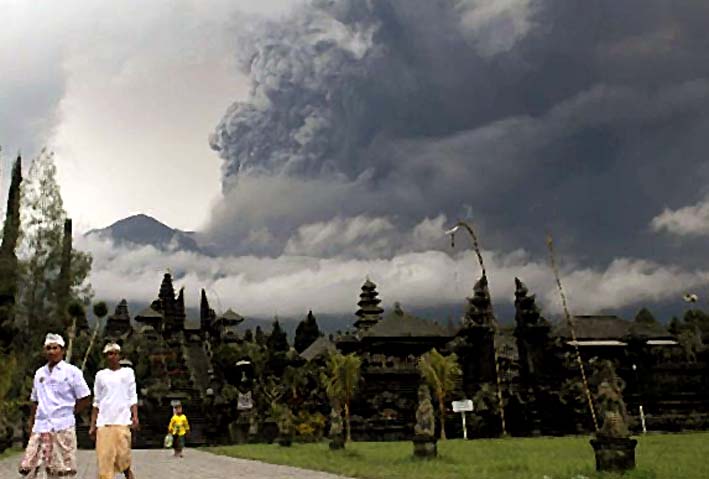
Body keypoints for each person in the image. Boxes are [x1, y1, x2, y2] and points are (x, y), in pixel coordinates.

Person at [18, 333, 91, 478]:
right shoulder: (40, 373)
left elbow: (85, 397)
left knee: (62, 469)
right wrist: (31, 423)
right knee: (31, 467)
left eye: (55, 348)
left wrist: (70, 412)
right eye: (48, 348)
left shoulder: (72, 372)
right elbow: (35, 400)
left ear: (62, 350)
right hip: (41, 425)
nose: (52, 352)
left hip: (62, 426)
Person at [90, 342, 139, 479]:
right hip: (104, 422)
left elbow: (132, 396)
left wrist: (135, 416)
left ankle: (128, 474)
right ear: (105, 357)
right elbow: (97, 401)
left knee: (124, 458)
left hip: (122, 420)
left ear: (120, 356)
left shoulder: (128, 373)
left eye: (115, 353)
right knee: (105, 461)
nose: (112, 357)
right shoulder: (101, 375)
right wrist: (93, 425)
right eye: (109, 354)